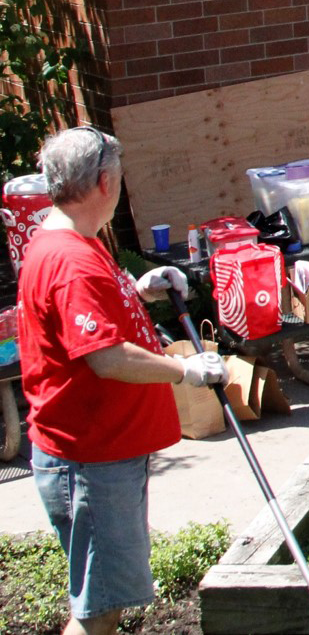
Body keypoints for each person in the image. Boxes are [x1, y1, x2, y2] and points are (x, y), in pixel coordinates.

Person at [20, 125, 227, 635]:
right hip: (92, 462)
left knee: (100, 602)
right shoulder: (70, 259)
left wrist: (139, 289)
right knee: (99, 612)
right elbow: (106, 358)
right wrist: (186, 370)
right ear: (106, 183)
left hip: (101, 456)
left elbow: (85, 318)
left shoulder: (71, 238)